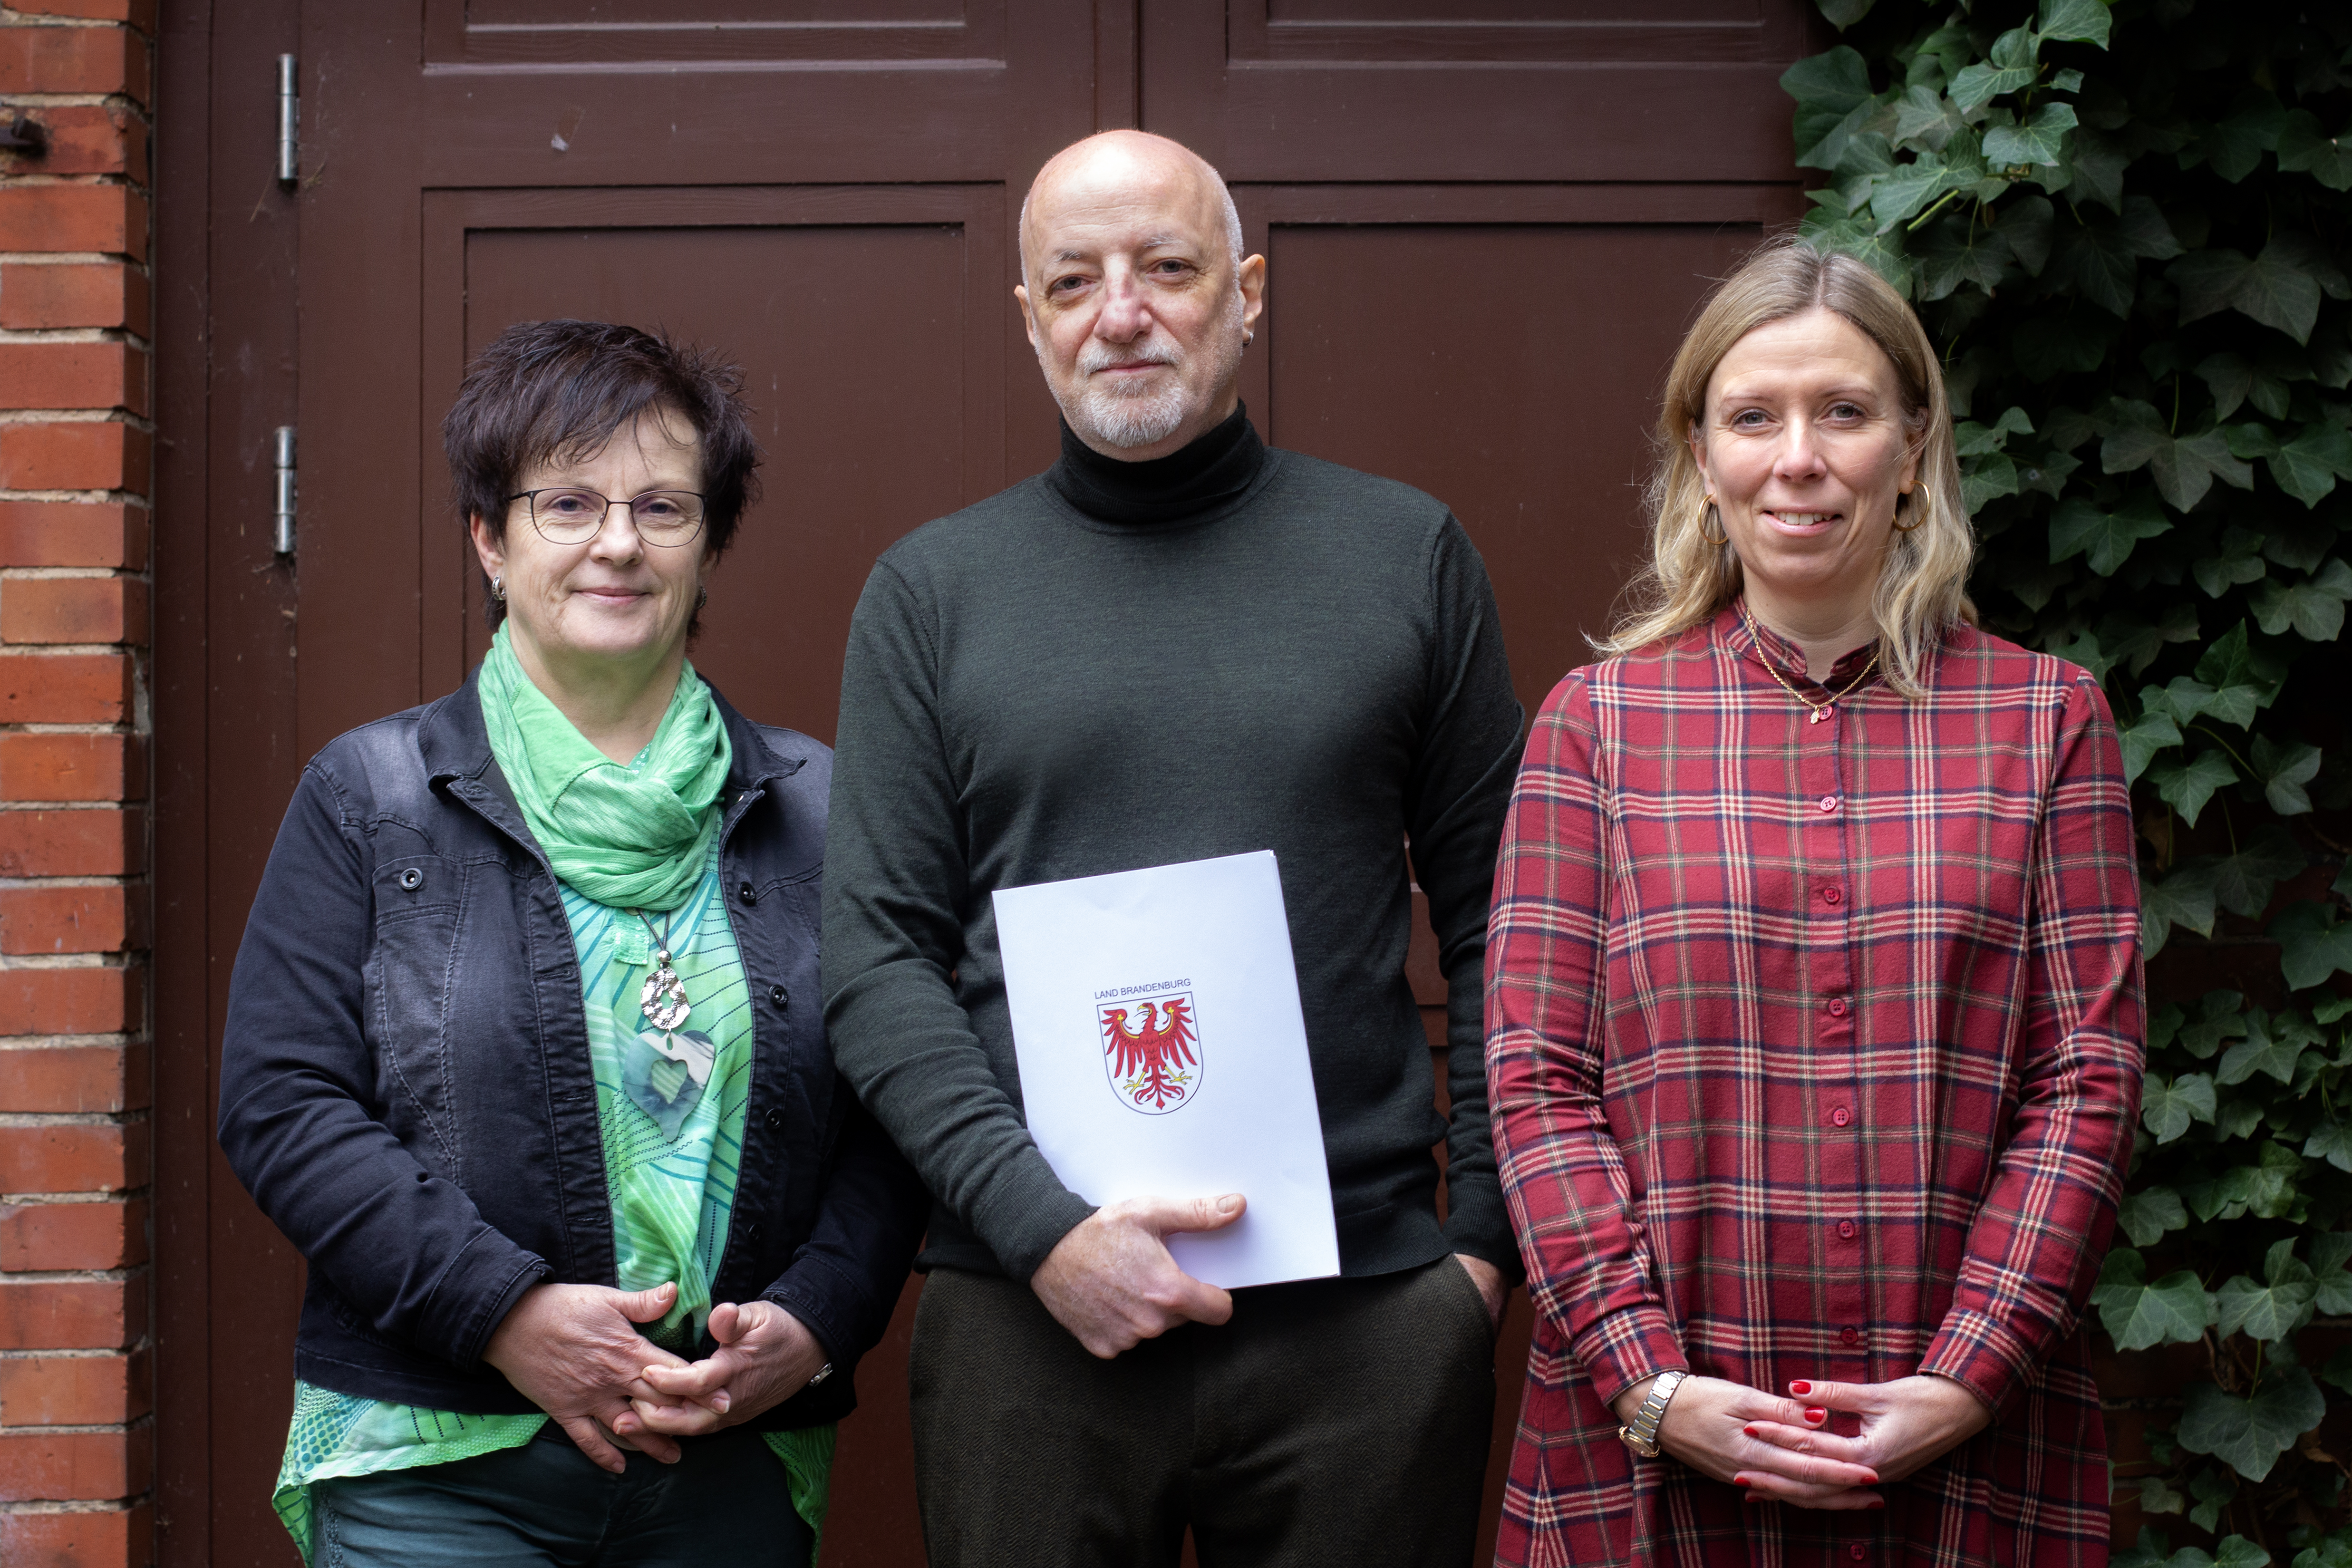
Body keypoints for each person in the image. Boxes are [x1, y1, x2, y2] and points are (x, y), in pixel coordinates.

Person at [822, 130, 1525, 1566]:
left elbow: (1508, 920)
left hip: (1365, 1316)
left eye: (1166, 267)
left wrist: (1477, 1256)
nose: (1118, 311)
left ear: (1248, 292)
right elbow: (874, 962)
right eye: (1071, 280)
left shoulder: (1404, 556)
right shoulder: (932, 593)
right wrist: (1042, 1230)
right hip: (1029, 1310)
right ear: (1028, 320)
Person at [217, 320, 929, 1567]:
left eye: (662, 505)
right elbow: (283, 1104)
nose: (618, 541)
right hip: (435, 1465)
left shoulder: (823, 807)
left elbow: (898, 1101)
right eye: (568, 501)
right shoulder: (372, 795)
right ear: (490, 537)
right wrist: (507, 1312)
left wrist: (819, 1320)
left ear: (709, 543)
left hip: (730, 1460)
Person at [1483, 236, 2145, 1566]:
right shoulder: (1597, 728)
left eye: (1842, 411)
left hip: (1967, 1451)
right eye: (1753, 416)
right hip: (1655, 1461)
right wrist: (1650, 1383)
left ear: (1910, 448)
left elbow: (2087, 1074)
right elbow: (1535, 1080)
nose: (1799, 457)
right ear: (1700, 455)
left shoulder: (2045, 717)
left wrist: (1969, 1371)